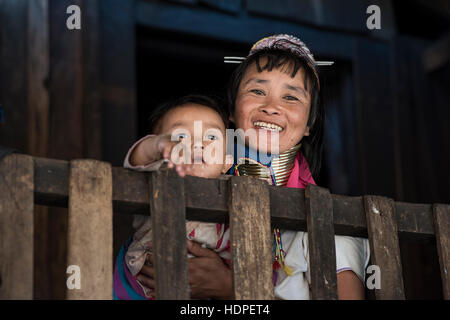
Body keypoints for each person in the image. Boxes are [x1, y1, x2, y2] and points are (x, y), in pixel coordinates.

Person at [121, 34, 370, 300]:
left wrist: (233, 289)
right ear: (231, 110)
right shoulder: (192, 173)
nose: (272, 107)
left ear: (309, 124)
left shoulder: (330, 224)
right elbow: (142, 163)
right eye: (258, 91)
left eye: (291, 97)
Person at [113, 94, 233, 300]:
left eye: (211, 137)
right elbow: (136, 159)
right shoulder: (159, 172)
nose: (197, 144)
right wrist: (158, 146)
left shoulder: (234, 190)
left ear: (226, 163)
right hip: (151, 287)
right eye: (181, 137)